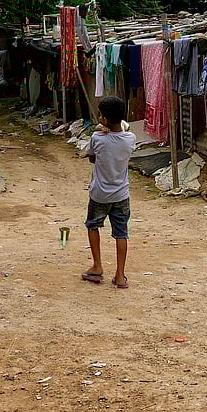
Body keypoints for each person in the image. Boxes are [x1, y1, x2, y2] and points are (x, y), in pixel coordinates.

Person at [80, 95, 136, 289]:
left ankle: (97, 266)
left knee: (93, 226)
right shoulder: (130, 139)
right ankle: (120, 276)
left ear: (103, 118)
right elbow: (123, 134)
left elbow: (92, 158)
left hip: (100, 194)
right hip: (121, 194)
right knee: (121, 233)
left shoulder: (97, 138)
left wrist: (100, 130)